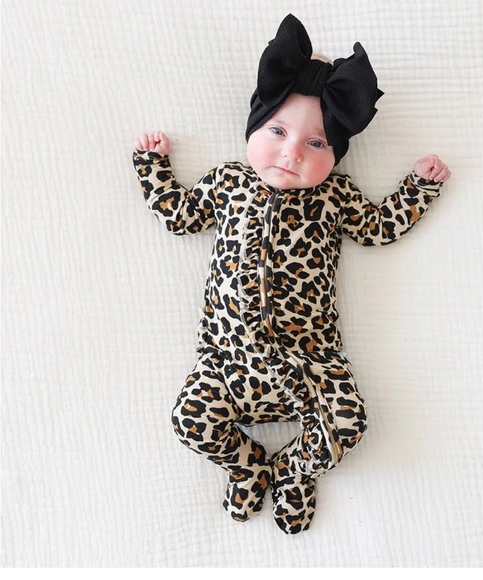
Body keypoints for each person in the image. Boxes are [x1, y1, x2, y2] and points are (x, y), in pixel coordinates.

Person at [132, 14, 451, 534]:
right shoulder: (228, 183)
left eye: (316, 143)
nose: (291, 152)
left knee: (349, 423)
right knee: (190, 420)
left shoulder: (335, 196)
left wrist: (418, 188)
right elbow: (181, 216)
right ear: (254, 127)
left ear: (335, 154)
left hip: (312, 364)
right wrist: (154, 168)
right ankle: (247, 466)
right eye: (278, 131)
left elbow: (377, 228)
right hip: (228, 361)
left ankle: (295, 471)